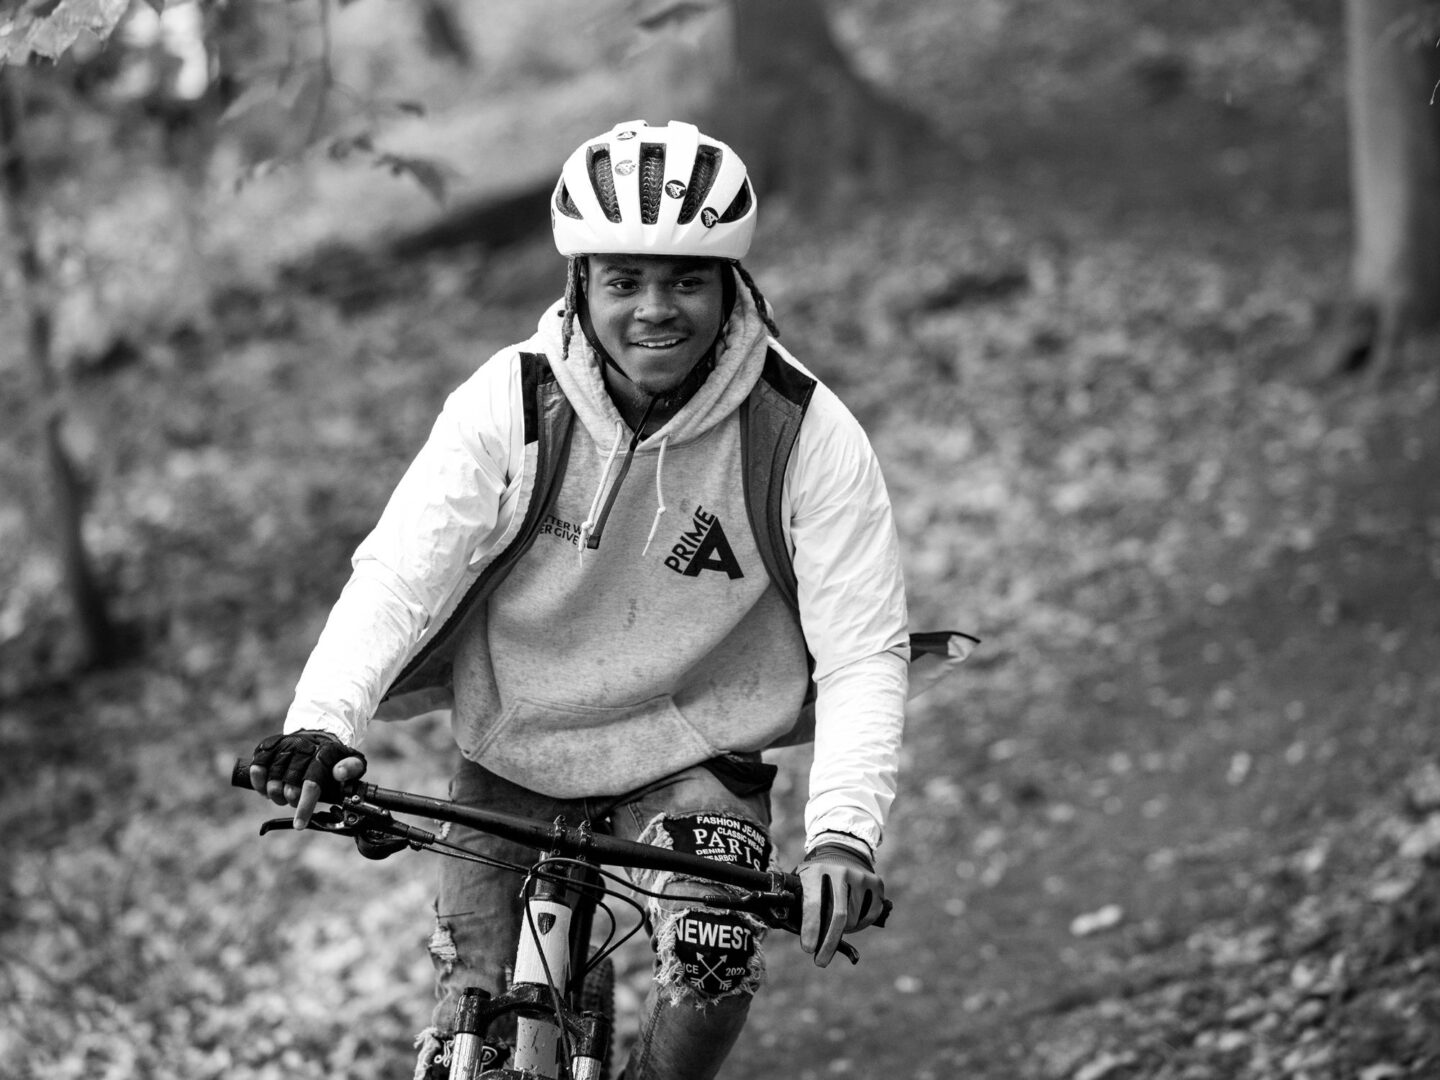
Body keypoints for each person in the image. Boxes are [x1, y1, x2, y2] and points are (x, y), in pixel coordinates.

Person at [247, 119, 910, 1080]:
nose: (655, 310)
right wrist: (319, 724)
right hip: (514, 746)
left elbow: (862, 649)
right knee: (472, 1025)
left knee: (712, 958)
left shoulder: (803, 431)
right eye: (624, 281)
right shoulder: (511, 403)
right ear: (579, 285)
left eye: (686, 281)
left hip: (694, 750)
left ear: (732, 287)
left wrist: (842, 836)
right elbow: (401, 572)